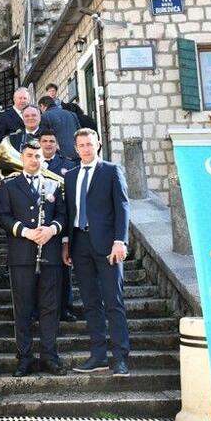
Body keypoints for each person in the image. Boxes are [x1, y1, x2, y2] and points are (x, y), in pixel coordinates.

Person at [0, 141, 68, 376]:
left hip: (49, 253)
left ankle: (49, 357)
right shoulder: (9, 185)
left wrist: (52, 230)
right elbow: (3, 217)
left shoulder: (55, 184)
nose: (34, 160)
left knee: (50, 308)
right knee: (23, 309)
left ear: (43, 159)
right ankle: (24, 358)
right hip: (21, 256)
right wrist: (25, 231)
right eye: (29, 156)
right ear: (22, 158)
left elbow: (63, 216)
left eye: (37, 156)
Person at [64, 128, 131, 377]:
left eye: (90, 144)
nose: (86, 148)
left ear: (98, 144)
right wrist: (66, 244)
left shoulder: (112, 171)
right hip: (80, 245)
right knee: (91, 303)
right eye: (81, 145)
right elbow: (69, 213)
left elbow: (122, 207)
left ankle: (121, 358)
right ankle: (98, 356)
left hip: (107, 246)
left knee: (114, 302)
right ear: (75, 148)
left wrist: (120, 241)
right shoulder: (70, 176)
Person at [38, 130, 78, 322]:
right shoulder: (30, 163)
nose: (48, 144)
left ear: (57, 144)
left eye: (51, 141)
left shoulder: (68, 165)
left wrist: (65, 236)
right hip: (37, 228)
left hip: (60, 226)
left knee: (64, 272)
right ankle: (38, 310)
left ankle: (65, 308)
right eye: (44, 141)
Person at [38, 96, 81, 161]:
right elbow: (80, 133)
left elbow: (44, 138)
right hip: (77, 154)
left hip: (60, 157)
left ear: (42, 106)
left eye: (40, 108)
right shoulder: (72, 114)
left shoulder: (45, 116)